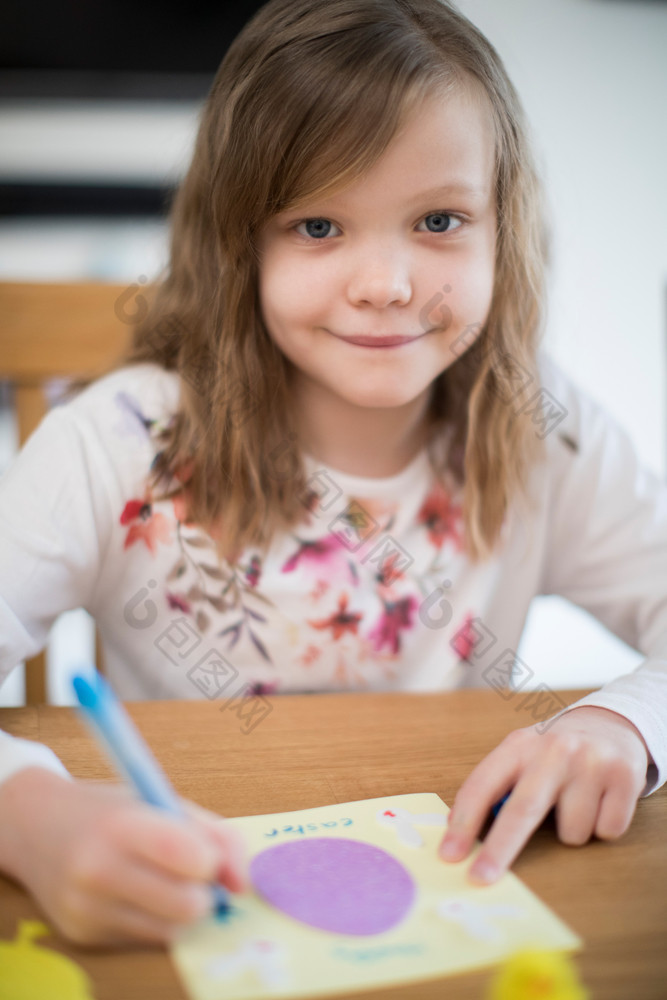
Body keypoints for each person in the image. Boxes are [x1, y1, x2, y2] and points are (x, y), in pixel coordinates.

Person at [0, 0, 665, 949]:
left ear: (500, 229)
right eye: (317, 225)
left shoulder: (538, 432)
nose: (387, 283)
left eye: (438, 219)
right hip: (194, 924)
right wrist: (27, 817)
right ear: (240, 247)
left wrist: (624, 725)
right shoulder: (110, 444)